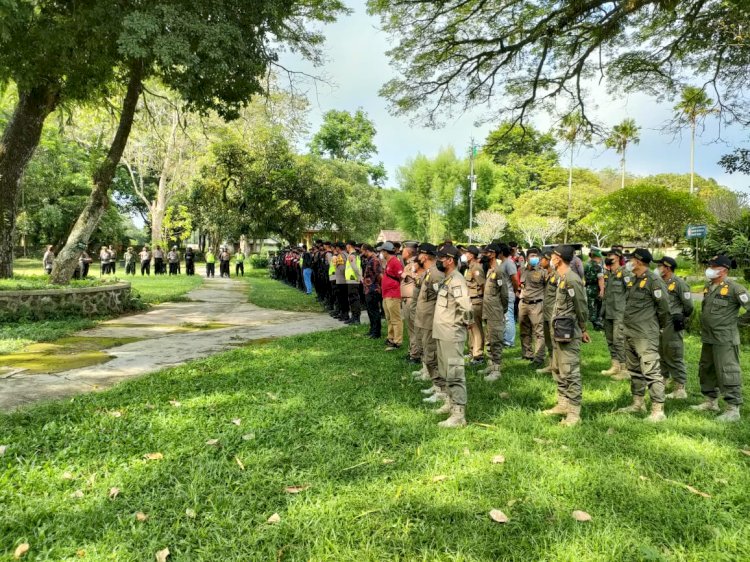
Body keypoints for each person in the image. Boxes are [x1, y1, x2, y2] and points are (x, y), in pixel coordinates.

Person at [691, 255, 750, 422]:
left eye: (712, 266)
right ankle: (710, 401)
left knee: (728, 371)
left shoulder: (735, 288)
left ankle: (733, 408)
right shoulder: (709, 286)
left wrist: (737, 322)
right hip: (708, 336)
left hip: (725, 338)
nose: (709, 268)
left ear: (723, 270)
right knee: (707, 368)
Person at [616, 248, 671, 422]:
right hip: (631, 331)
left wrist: (656, 327)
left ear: (638, 261)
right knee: (635, 370)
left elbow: (664, 309)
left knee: (651, 370)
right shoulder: (634, 280)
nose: (628, 263)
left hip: (646, 334)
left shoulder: (654, 281)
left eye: (631, 259)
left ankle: (657, 410)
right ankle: (637, 403)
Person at [543, 245, 590, 426]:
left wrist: (583, 328)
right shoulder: (561, 278)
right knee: (558, 369)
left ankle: (574, 413)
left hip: (569, 332)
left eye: (554, 255)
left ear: (559, 258)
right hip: (558, 331)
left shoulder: (572, 279)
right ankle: (562, 404)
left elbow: (581, 306)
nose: (551, 258)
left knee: (570, 372)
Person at [432, 244, 473, 428]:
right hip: (442, 333)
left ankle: (459, 414)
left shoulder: (456, 280)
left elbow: (466, 307)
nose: (437, 261)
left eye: (440, 258)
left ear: (449, 260)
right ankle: (450, 403)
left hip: (451, 333)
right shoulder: (447, 279)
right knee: (444, 371)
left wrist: (462, 325)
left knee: (454, 372)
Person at [656, 256, 694, 400]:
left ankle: (680, 388)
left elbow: (689, 305)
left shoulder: (679, 283)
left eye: (660, 265)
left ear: (667, 267)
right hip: (660, 322)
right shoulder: (659, 282)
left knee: (673, 352)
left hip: (673, 322)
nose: (658, 268)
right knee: (661, 351)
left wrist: (681, 316)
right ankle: (663, 380)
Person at [414, 243, 446, 405]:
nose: (418, 256)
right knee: (426, 351)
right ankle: (436, 384)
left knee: (432, 354)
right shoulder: (428, 273)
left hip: (430, 320)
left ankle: (441, 390)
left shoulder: (436, 274)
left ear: (425, 256)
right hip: (423, 319)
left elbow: (442, 298)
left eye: (420, 254)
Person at [478, 243, 509, 382]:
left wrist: (502, 309)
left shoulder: (499, 271)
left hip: (495, 311)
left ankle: (497, 369)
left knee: (496, 339)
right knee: (489, 338)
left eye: (488, 253)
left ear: (494, 254)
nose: (485, 255)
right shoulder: (489, 270)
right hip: (487, 311)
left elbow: (504, 294)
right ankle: (491, 364)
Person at [600, 248, 628, 378]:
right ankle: (615, 365)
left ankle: (624, 369)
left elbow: (631, 292)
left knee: (619, 340)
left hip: (620, 313)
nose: (608, 257)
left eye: (610, 255)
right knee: (610, 340)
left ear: (617, 257)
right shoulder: (609, 273)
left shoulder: (625, 273)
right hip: (608, 312)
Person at [519, 247, 546, 367]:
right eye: (531, 256)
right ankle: (527, 354)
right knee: (524, 330)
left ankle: (539, 357)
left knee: (539, 332)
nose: (534, 258)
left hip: (537, 304)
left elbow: (548, 288)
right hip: (523, 303)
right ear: (526, 258)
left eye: (536, 255)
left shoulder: (543, 271)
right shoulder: (522, 270)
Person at [536, 249, 559, 374]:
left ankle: (557, 366)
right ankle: (551, 364)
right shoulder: (548, 275)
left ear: (549, 260)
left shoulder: (557, 276)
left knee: (554, 339)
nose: (540, 261)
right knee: (548, 339)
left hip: (554, 314)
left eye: (543, 259)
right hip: (546, 312)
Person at [464, 245, 485, 365]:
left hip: (476, 301)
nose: (465, 255)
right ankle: (472, 351)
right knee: (470, 327)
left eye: (467, 253)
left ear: (471, 255)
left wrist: (482, 299)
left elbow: (482, 285)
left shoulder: (476, 268)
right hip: (470, 300)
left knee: (476, 328)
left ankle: (478, 355)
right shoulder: (469, 267)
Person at [381, 242, 404, 351]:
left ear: (385, 252)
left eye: (382, 251)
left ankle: (398, 341)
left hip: (393, 295)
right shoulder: (388, 262)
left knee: (395, 319)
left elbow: (402, 277)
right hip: (386, 294)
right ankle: (391, 337)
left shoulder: (395, 262)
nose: (381, 253)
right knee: (389, 318)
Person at [400, 241, 421, 363]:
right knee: (410, 328)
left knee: (414, 327)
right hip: (407, 299)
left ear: (408, 251)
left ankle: (416, 354)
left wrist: (409, 273)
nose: (402, 252)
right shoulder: (408, 264)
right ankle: (412, 351)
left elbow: (419, 278)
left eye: (403, 250)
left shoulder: (415, 264)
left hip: (412, 300)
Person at [361, 244, 383, 339]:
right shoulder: (369, 260)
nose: (362, 253)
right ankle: (372, 329)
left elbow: (379, 275)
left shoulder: (375, 260)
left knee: (374, 311)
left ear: (366, 250)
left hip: (374, 289)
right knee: (370, 311)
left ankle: (376, 332)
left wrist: (378, 287)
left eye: (362, 251)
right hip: (368, 289)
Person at [500, 244, 519, 347]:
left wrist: (516, 290)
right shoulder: (503, 263)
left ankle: (509, 341)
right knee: (504, 318)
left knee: (508, 317)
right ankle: (505, 338)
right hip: (503, 294)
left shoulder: (509, 263)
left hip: (509, 293)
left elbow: (515, 279)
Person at [584, 249, 605, 330]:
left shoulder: (586, 265)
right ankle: (597, 322)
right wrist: (602, 290)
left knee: (591, 305)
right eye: (600, 258)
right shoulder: (598, 267)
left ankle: (593, 321)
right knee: (598, 304)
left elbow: (584, 277)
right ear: (597, 257)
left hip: (589, 288)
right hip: (597, 288)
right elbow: (600, 279)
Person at [344, 241, 363, 325]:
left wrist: (359, 277)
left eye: (346, 245)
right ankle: (353, 317)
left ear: (349, 245)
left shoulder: (352, 255)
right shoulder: (356, 255)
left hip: (353, 279)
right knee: (352, 299)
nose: (346, 247)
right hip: (352, 279)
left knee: (354, 299)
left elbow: (355, 268)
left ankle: (356, 318)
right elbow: (360, 267)